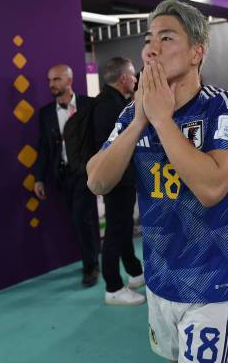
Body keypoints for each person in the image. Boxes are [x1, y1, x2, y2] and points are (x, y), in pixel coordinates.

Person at [87, 0, 228, 363]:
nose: (151, 50)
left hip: (209, 284)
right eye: (148, 40)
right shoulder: (134, 113)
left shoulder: (226, 106)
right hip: (159, 280)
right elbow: (97, 181)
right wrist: (141, 121)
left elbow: (211, 189)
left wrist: (161, 120)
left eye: (166, 38)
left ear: (197, 52)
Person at [34, 64, 100, 287]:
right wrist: (39, 178)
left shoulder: (88, 105)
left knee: (80, 218)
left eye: (57, 80)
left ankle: (91, 266)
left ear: (69, 81)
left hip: (85, 173)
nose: (52, 84)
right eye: (49, 80)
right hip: (62, 176)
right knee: (81, 221)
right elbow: (43, 148)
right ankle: (92, 257)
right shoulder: (45, 114)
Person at [93, 57, 145, 305]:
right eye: (133, 75)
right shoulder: (110, 107)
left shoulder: (113, 102)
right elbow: (113, 149)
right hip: (117, 180)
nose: (135, 80)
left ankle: (134, 271)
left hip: (122, 178)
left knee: (123, 228)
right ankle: (113, 286)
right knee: (115, 231)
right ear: (124, 78)